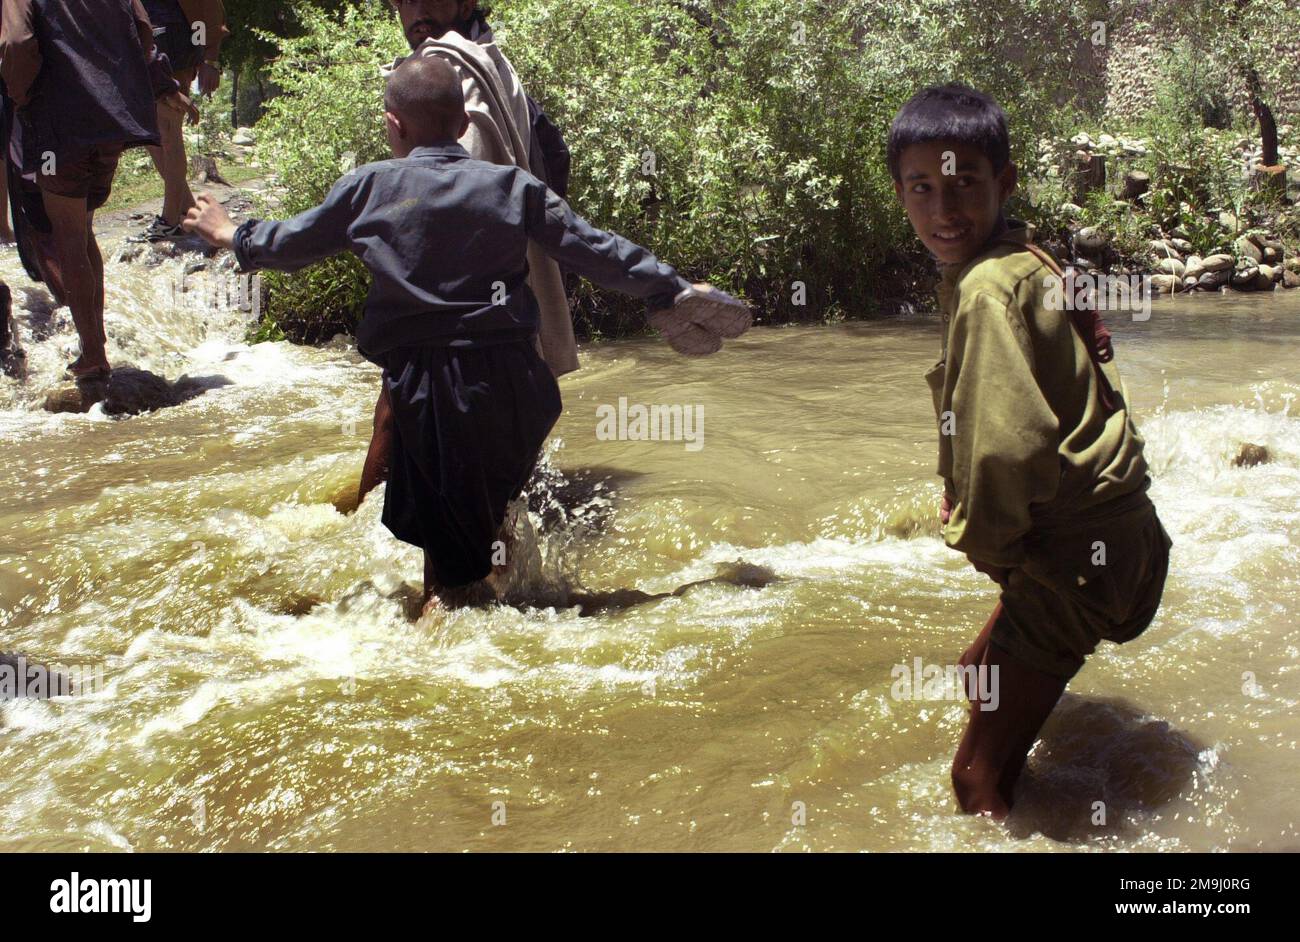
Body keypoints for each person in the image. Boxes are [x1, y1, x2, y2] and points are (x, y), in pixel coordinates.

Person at [183, 57, 749, 610]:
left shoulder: (370, 187)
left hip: (435, 389)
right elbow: (594, 248)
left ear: (393, 123)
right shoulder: (513, 186)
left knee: (447, 577)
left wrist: (232, 233)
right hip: (517, 386)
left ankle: (450, 649)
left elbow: (291, 245)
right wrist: (666, 288)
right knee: (491, 514)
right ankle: (512, 605)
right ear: (463, 125)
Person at [888, 83, 1172, 819]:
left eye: (964, 185)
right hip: (1126, 535)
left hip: (1075, 555)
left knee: (974, 783)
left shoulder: (986, 289)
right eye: (923, 188)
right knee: (977, 668)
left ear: (1003, 183)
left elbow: (1006, 452)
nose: (944, 210)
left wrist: (978, 540)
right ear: (900, 194)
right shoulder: (1026, 258)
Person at [358, 0, 575, 505]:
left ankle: (356, 529)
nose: (413, 9)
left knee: (403, 418)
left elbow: (453, 204)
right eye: (400, 0)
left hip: (463, 313)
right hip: (499, 310)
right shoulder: (479, 57)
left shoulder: (460, 67)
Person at [0, 0, 198, 382]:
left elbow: (16, 45)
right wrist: (159, 85)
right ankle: (96, 339)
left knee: (68, 236)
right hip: (109, 121)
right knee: (84, 231)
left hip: (56, 126)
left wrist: (23, 97)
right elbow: (145, 36)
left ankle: (93, 353)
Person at [129, 0, 229, 243]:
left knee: (167, 130)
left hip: (175, 46)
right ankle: (187, 210)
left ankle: (170, 220)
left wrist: (210, 60)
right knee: (149, 135)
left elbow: (210, 8)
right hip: (147, 49)